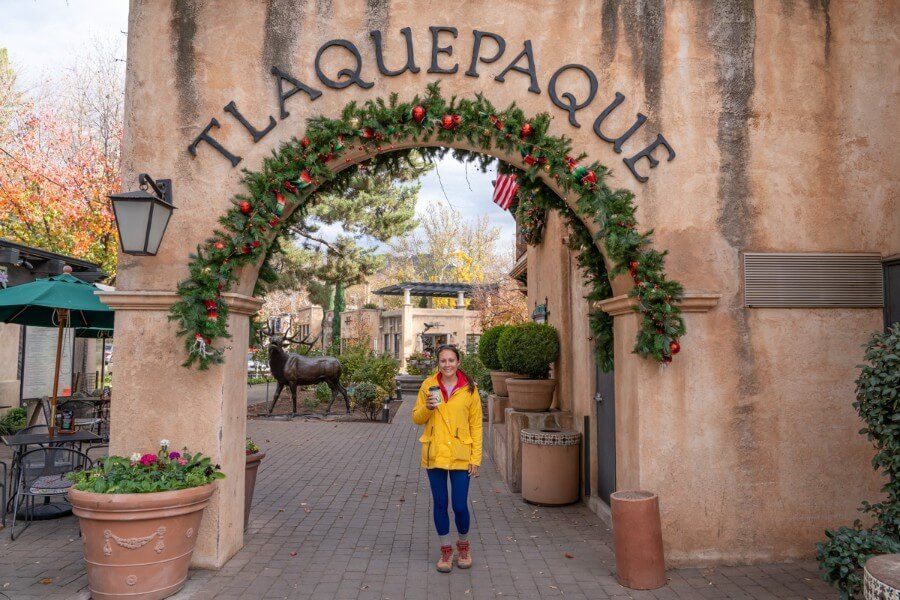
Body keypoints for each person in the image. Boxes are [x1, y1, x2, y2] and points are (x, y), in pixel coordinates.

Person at [412, 344, 483, 573]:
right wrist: (428, 408)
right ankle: (445, 550)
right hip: (435, 454)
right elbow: (416, 418)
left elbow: (477, 426)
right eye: (443, 361)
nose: (447, 365)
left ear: (458, 362)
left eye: (451, 360)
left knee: (460, 505)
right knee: (440, 504)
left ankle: (463, 546)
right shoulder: (428, 386)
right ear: (438, 363)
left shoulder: (470, 389)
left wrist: (476, 458)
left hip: (462, 454)